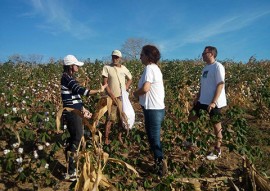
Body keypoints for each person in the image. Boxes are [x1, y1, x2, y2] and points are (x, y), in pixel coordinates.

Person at [61, 54, 107, 181]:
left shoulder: (69, 77)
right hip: (72, 113)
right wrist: (99, 90)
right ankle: (71, 172)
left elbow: (75, 97)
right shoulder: (67, 78)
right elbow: (82, 91)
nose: (78, 67)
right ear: (71, 66)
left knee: (75, 138)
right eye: (76, 65)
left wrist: (83, 109)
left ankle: (71, 167)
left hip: (76, 111)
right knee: (77, 138)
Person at [133, 45, 167, 177]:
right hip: (155, 108)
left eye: (142, 54)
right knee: (154, 138)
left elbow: (146, 88)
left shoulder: (149, 68)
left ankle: (160, 166)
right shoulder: (155, 69)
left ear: (148, 56)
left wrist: (136, 94)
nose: (140, 57)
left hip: (153, 109)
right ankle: (159, 163)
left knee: (154, 139)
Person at [189, 46, 227, 161]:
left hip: (214, 102)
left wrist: (214, 102)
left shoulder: (218, 66)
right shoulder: (205, 68)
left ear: (211, 54)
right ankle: (192, 140)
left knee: (216, 126)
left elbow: (220, 84)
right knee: (192, 117)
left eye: (204, 53)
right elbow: (203, 85)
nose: (202, 55)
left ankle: (217, 149)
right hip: (202, 100)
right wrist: (198, 97)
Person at [102, 50, 132, 145]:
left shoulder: (124, 68)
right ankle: (106, 139)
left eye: (117, 57)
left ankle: (119, 136)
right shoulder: (107, 68)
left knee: (121, 118)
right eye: (113, 57)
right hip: (111, 98)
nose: (115, 59)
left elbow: (130, 78)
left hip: (121, 98)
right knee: (110, 118)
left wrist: (126, 87)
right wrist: (111, 95)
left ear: (120, 58)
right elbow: (105, 84)